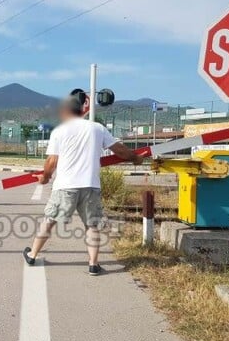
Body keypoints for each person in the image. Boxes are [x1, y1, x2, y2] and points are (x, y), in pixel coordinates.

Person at [23, 94, 143, 275]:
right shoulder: (97, 129)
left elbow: (51, 161)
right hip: (90, 185)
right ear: (82, 110)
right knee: (92, 225)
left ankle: (32, 254)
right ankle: (93, 264)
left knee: (49, 220)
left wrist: (46, 177)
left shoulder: (60, 131)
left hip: (65, 186)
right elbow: (119, 149)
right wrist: (135, 158)